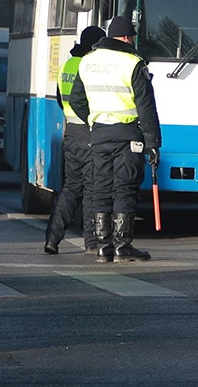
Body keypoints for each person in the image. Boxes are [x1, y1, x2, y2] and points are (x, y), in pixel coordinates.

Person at [69, 16, 161, 263]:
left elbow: (75, 99)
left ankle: (102, 246)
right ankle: (122, 246)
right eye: (131, 36)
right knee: (124, 188)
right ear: (127, 37)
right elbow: (146, 107)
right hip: (127, 136)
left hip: (99, 134)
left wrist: (93, 120)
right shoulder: (133, 63)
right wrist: (153, 144)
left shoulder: (87, 62)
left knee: (100, 188)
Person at [44, 25, 106, 256]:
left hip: (70, 133)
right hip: (88, 132)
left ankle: (52, 238)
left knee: (70, 188)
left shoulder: (67, 65)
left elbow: (62, 99)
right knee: (91, 189)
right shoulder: (89, 67)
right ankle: (91, 241)